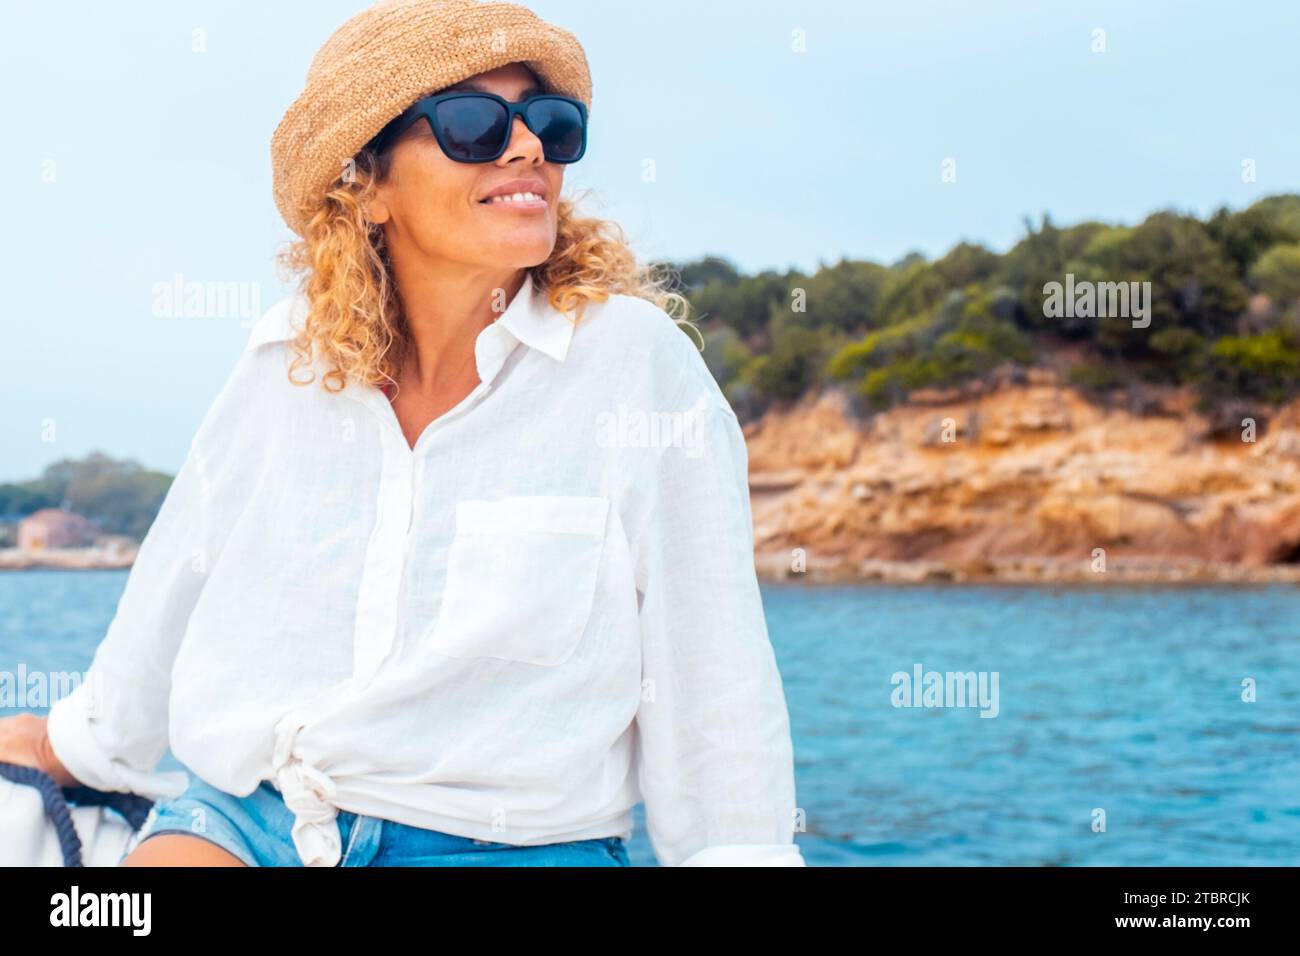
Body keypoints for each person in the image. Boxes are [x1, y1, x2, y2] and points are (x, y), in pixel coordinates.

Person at [0, 0, 803, 867]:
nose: (527, 147)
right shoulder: (288, 361)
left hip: (507, 846)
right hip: (249, 820)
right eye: (472, 126)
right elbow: (177, 578)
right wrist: (78, 745)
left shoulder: (635, 367)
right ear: (369, 185)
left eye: (551, 125)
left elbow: (715, 681)